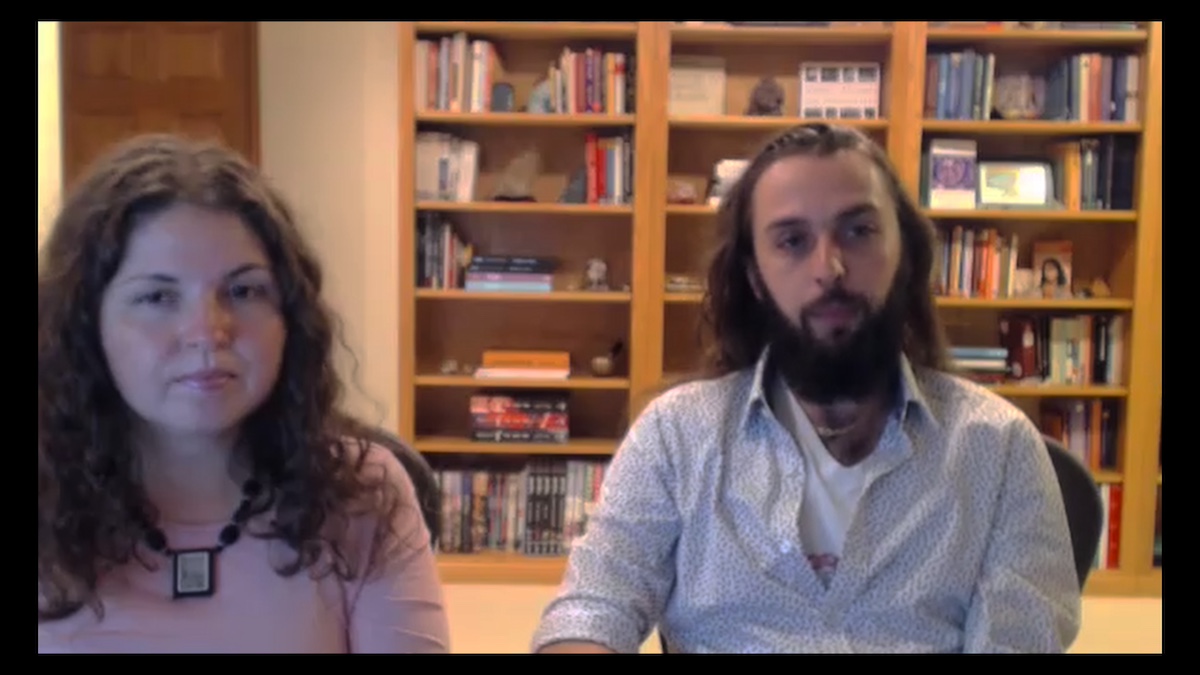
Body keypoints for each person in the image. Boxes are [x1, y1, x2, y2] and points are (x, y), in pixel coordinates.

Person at [530, 123, 1081, 654]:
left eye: (858, 231)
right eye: (792, 241)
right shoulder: (676, 436)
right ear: (753, 275)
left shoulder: (999, 449)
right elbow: (592, 609)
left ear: (905, 253)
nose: (829, 267)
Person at [38, 134, 451, 653]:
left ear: (290, 318)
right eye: (158, 296)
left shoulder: (366, 496)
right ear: (85, 323)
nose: (208, 331)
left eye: (243, 291)